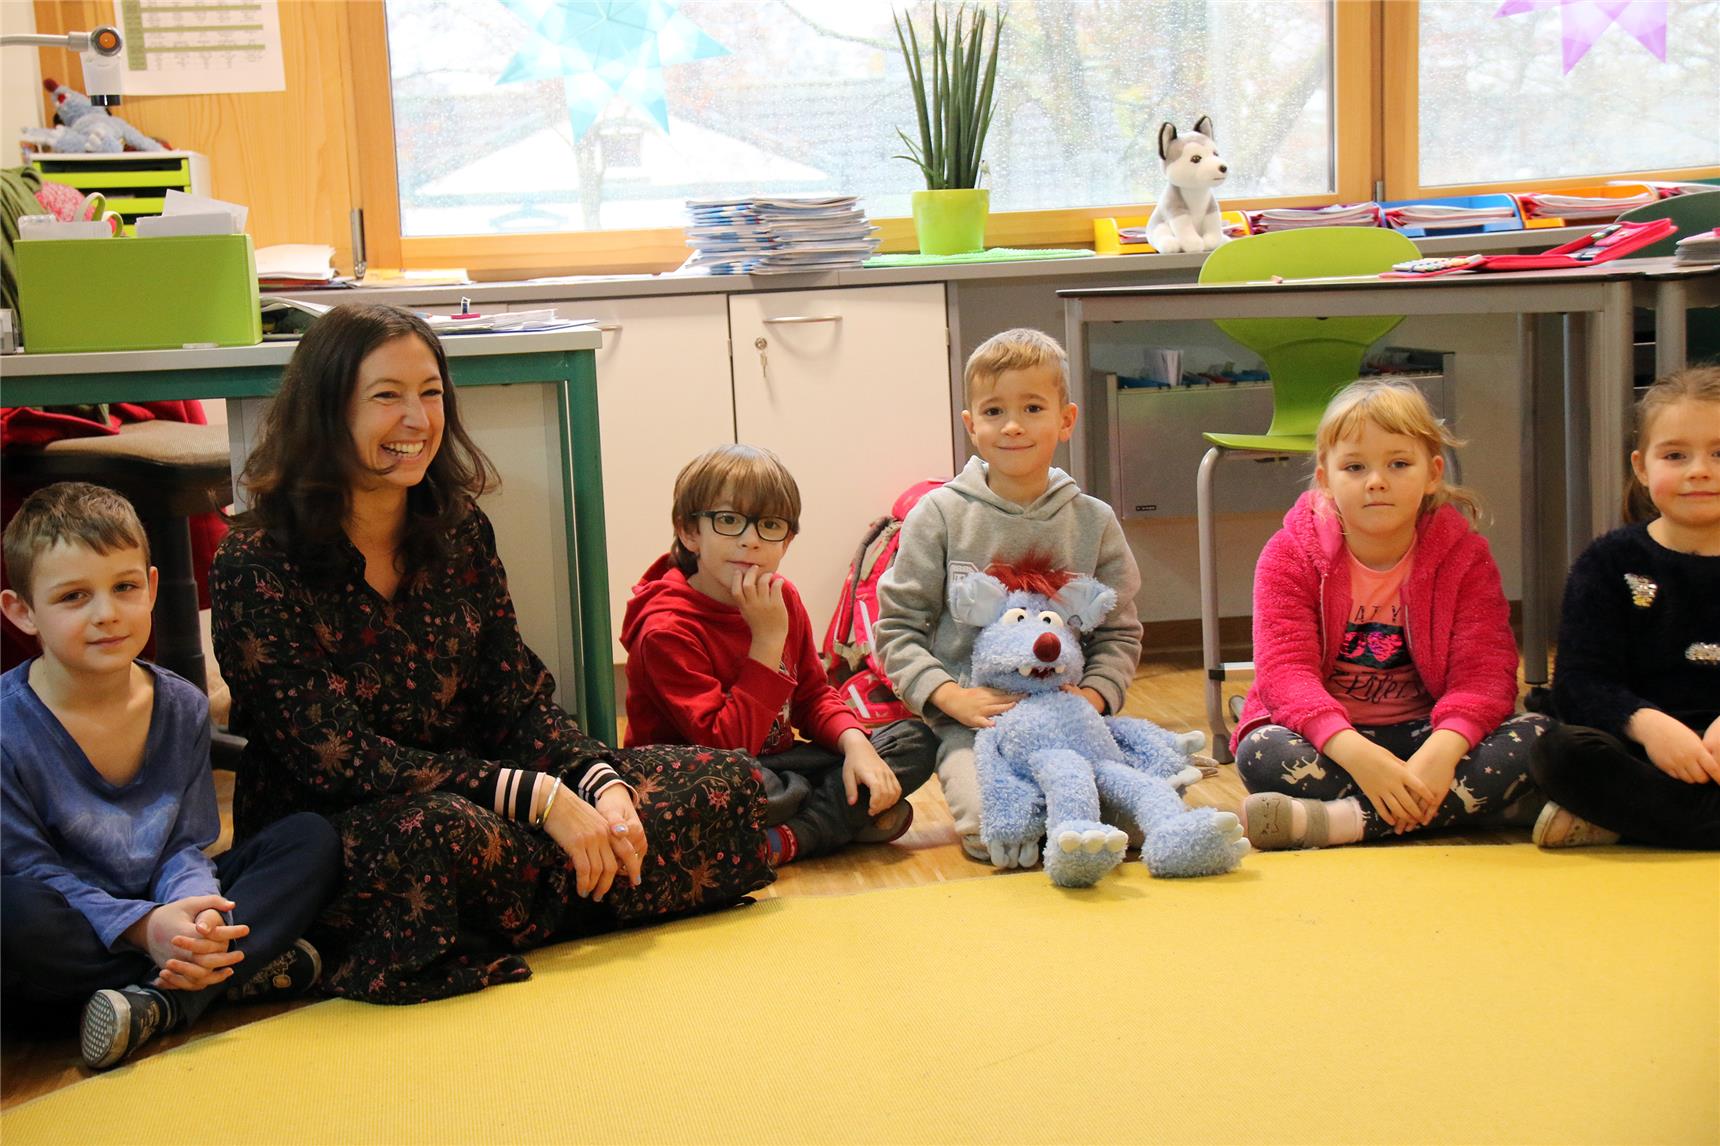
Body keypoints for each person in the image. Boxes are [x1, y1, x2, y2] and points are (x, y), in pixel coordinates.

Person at [209, 304, 773, 1004]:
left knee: (726, 781)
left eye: (431, 393)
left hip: (489, 803)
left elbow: (515, 697)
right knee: (440, 839)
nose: (417, 420)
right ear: (327, 411)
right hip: (349, 822)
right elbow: (340, 760)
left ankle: (480, 914)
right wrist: (538, 799)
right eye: (387, 396)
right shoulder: (254, 560)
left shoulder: (458, 528)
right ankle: (553, 892)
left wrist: (595, 785)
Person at [1, 482, 339, 1070]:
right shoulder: (8, 725)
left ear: (153, 588)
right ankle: (231, 975)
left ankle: (156, 1000)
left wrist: (193, 913)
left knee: (310, 838)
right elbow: (30, 868)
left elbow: (184, 845)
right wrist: (143, 928)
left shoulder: (181, 704)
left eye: (125, 588)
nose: (106, 614)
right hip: (73, 923)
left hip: (165, 912)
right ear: (22, 611)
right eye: (74, 597)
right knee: (12, 909)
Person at [873, 328, 1149, 867]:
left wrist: (1093, 698)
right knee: (992, 837)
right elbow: (896, 630)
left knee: (1132, 827)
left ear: (1065, 420)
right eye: (995, 411)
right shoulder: (939, 516)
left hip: (1071, 721)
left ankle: (1074, 821)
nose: (1014, 425)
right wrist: (951, 698)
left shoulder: (1093, 521)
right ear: (971, 425)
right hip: (978, 726)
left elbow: (1120, 630)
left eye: (1032, 407)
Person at [1233, 378, 1547, 849]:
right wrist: (1357, 753)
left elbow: (1485, 675)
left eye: (1399, 464)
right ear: (1325, 476)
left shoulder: (1465, 557)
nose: (1376, 481)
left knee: (1545, 737)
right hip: (1337, 743)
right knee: (1261, 752)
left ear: (1433, 472)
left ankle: (1340, 822)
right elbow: (1284, 674)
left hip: (1428, 735)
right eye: (1355, 466)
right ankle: (1483, 808)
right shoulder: (1289, 555)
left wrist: (1443, 751)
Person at [622, 444, 937, 865]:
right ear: (690, 531)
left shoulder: (782, 596)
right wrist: (767, 643)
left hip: (779, 765)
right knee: (761, 784)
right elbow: (725, 749)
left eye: (769, 525)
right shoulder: (666, 628)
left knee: (914, 740)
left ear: (787, 541)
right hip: (699, 779)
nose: (750, 540)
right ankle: (830, 822)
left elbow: (812, 696)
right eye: (728, 520)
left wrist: (857, 745)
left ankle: (782, 837)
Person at [1530, 367, 1720, 849]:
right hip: (1645, 752)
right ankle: (1679, 817)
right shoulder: (1610, 561)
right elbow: (1579, 681)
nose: (1700, 470)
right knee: (1559, 752)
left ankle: (1634, 821)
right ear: (1641, 467)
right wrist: (1648, 725)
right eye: (1676, 455)